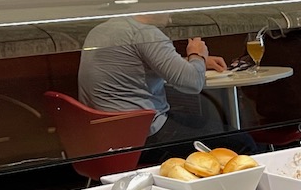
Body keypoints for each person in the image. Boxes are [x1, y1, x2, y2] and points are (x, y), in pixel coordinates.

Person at [78, 13, 239, 150]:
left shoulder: (102, 29)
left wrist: (194, 62)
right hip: (142, 136)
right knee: (242, 143)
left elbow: (137, 64)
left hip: (102, 135)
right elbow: (193, 83)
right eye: (168, 11)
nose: (170, 20)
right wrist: (197, 54)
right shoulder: (145, 33)